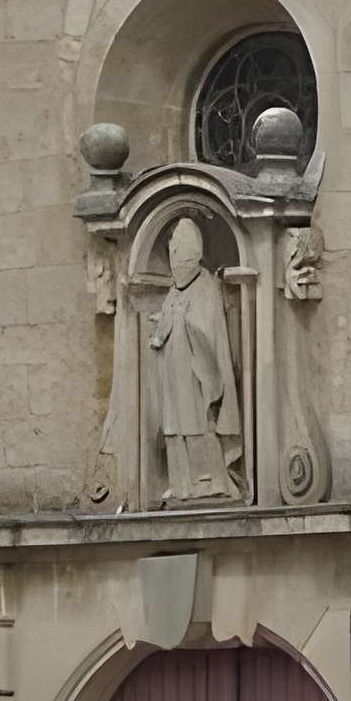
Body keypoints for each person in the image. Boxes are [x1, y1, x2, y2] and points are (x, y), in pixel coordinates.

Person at [145, 215, 244, 504]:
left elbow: (209, 329)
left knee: (199, 422)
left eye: (180, 250)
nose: (175, 258)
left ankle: (212, 482)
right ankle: (180, 483)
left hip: (195, 371)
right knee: (174, 426)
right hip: (172, 370)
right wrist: (164, 319)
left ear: (193, 251)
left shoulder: (206, 286)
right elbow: (166, 318)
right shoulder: (173, 290)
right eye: (173, 251)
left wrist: (183, 319)